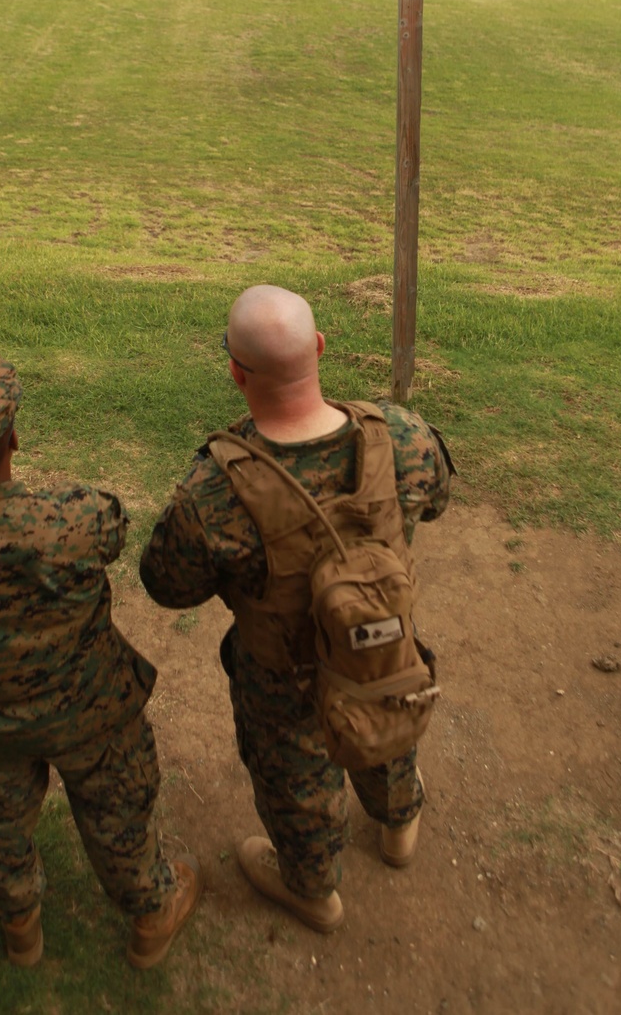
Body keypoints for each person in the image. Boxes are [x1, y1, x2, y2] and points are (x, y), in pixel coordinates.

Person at [0, 344, 201, 971]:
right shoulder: (70, 525)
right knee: (117, 811)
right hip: (91, 707)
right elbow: (114, 522)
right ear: (14, 435)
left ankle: (20, 928)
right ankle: (151, 913)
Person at [140, 287, 452, 934]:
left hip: (283, 677)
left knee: (294, 776)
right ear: (319, 348)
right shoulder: (401, 433)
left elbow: (167, 584)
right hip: (382, 643)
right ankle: (399, 823)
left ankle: (312, 888)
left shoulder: (215, 490)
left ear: (235, 371)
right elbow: (438, 495)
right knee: (386, 704)